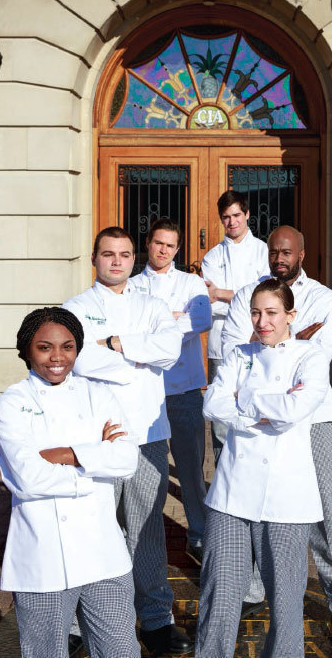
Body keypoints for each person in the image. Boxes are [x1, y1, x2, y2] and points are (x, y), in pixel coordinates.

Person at [221, 225, 332, 649]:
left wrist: (266, 349)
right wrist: (285, 340)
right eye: (274, 252)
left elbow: (316, 355)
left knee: (322, 511)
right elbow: (232, 351)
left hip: (309, 420)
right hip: (253, 422)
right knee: (256, 504)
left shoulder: (323, 298)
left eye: (286, 252)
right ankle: (256, 590)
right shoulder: (248, 295)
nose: (279, 258)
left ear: (301, 252)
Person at [62, 227, 192, 657]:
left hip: (146, 435)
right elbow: (78, 358)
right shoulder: (75, 309)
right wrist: (135, 360)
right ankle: (83, 623)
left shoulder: (153, 305)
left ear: (134, 258)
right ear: (94, 258)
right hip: (97, 437)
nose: (116, 261)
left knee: (146, 530)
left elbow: (170, 350)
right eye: (107, 254)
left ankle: (156, 619)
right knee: (95, 528)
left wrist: (116, 345)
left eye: (124, 254)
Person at [0, 307, 141, 658]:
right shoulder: (13, 403)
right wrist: (94, 457)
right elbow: (28, 478)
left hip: (103, 552)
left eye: (68, 346)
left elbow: (126, 459)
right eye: (45, 347)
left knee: (121, 650)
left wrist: (64, 453)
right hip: (43, 555)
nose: (57, 357)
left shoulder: (99, 395)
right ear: (27, 350)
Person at [195, 279, 330, 657]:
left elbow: (292, 413)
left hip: (287, 497)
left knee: (285, 601)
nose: (262, 321)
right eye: (256, 312)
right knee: (219, 593)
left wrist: (245, 399)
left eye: (272, 313)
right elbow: (213, 407)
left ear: (291, 315)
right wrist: (265, 407)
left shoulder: (310, 357)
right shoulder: (239, 354)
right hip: (232, 491)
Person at [129, 218, 211, 564]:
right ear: (148, 243)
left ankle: (200, 534)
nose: (163, 250)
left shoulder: (192, 283)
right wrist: (172, 322)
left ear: (178, 249)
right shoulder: (130, 286)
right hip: (145, 393)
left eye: (170, 245)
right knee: (147, 472)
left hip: (184, 390)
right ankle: (146, 538)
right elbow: (124, 329)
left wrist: (151, 333)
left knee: (191, 469)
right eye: (158, 243)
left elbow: (201, 321)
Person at [200, 190, 269, 459]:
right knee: (221, 417)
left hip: (259, 342)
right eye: (226, 217)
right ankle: (221, 482)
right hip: (221, 346)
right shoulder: (212, 257)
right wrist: (244, 297)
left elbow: (267, 296)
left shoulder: (264, 251)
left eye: (237, 215)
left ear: (247, 214)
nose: (232, 222)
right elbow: (212, 304)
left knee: (257, 410)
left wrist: (224, 293)